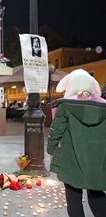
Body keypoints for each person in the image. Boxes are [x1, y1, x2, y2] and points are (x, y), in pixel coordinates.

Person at [47, 69, 106, 217]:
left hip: (72, 157)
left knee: (73, 195)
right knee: (96, 193)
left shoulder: (65, 106)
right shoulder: (103, 107)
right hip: (97, 159)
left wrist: (51, 150)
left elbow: (56, 131)